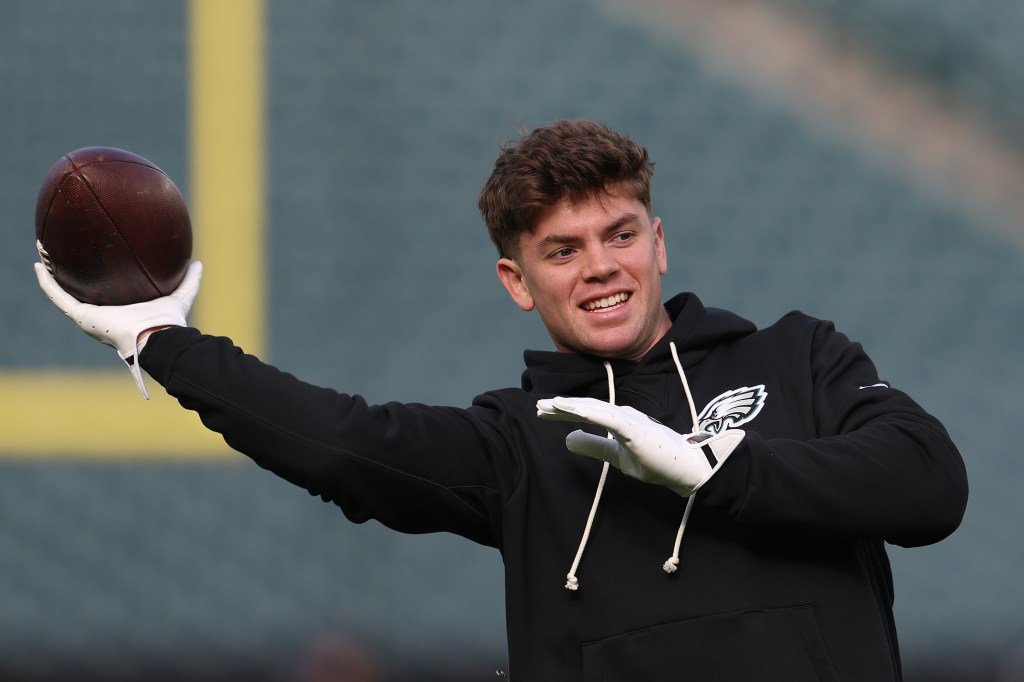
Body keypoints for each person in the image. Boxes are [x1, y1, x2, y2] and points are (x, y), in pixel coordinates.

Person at [35, 119, 968, 680]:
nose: (601, 266)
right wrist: (165, 344)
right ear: (518, 281)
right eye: (562, 251)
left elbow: (929, 486)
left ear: (660, 242)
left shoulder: (798, 355)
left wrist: (717, 467)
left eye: (620, 234)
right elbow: (340, 443)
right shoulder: (520, 444)